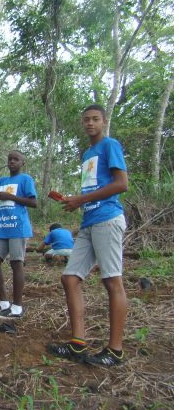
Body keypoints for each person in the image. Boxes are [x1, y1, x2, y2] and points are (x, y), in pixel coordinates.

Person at [47, 104, 129, 367]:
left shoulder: (109, 145)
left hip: (107, 218)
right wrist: (78, 201)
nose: (90, 124)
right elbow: (96, 185)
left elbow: (120, 184)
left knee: (112, 281)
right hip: (89, 220)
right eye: (86, 120)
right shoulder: (87, 154)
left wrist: (82, 198)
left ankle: (115, 350)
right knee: (70, 278)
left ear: (103, 122)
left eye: (95, 119)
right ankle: (77, 343)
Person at [0, 150, 37, 320]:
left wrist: (10, 196)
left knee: (16, 263)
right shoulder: (2, 181)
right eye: (9, 159)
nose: (12, 162)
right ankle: (4, 303)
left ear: (22, 163)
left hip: (18, 227)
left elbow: (33, 202)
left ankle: (17, 307)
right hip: (2, 228)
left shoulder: (26, 179)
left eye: (16, 159)